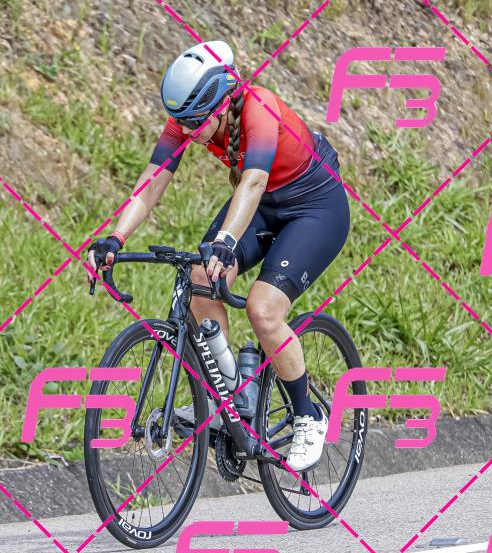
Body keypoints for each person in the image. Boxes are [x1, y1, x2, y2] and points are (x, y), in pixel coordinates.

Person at [85, 41, 350, 472]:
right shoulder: (188, 118)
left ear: (223, 102)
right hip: (263, 204)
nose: (188, 132)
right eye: (182, 123)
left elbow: (254, 181)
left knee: (264, 310)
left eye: (196, 123)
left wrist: (227, 240)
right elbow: (152, 181)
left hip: (314, 208)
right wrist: (115, 238)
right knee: (200, 278)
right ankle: (229, 395)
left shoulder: (259, 107)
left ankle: (309, 415)